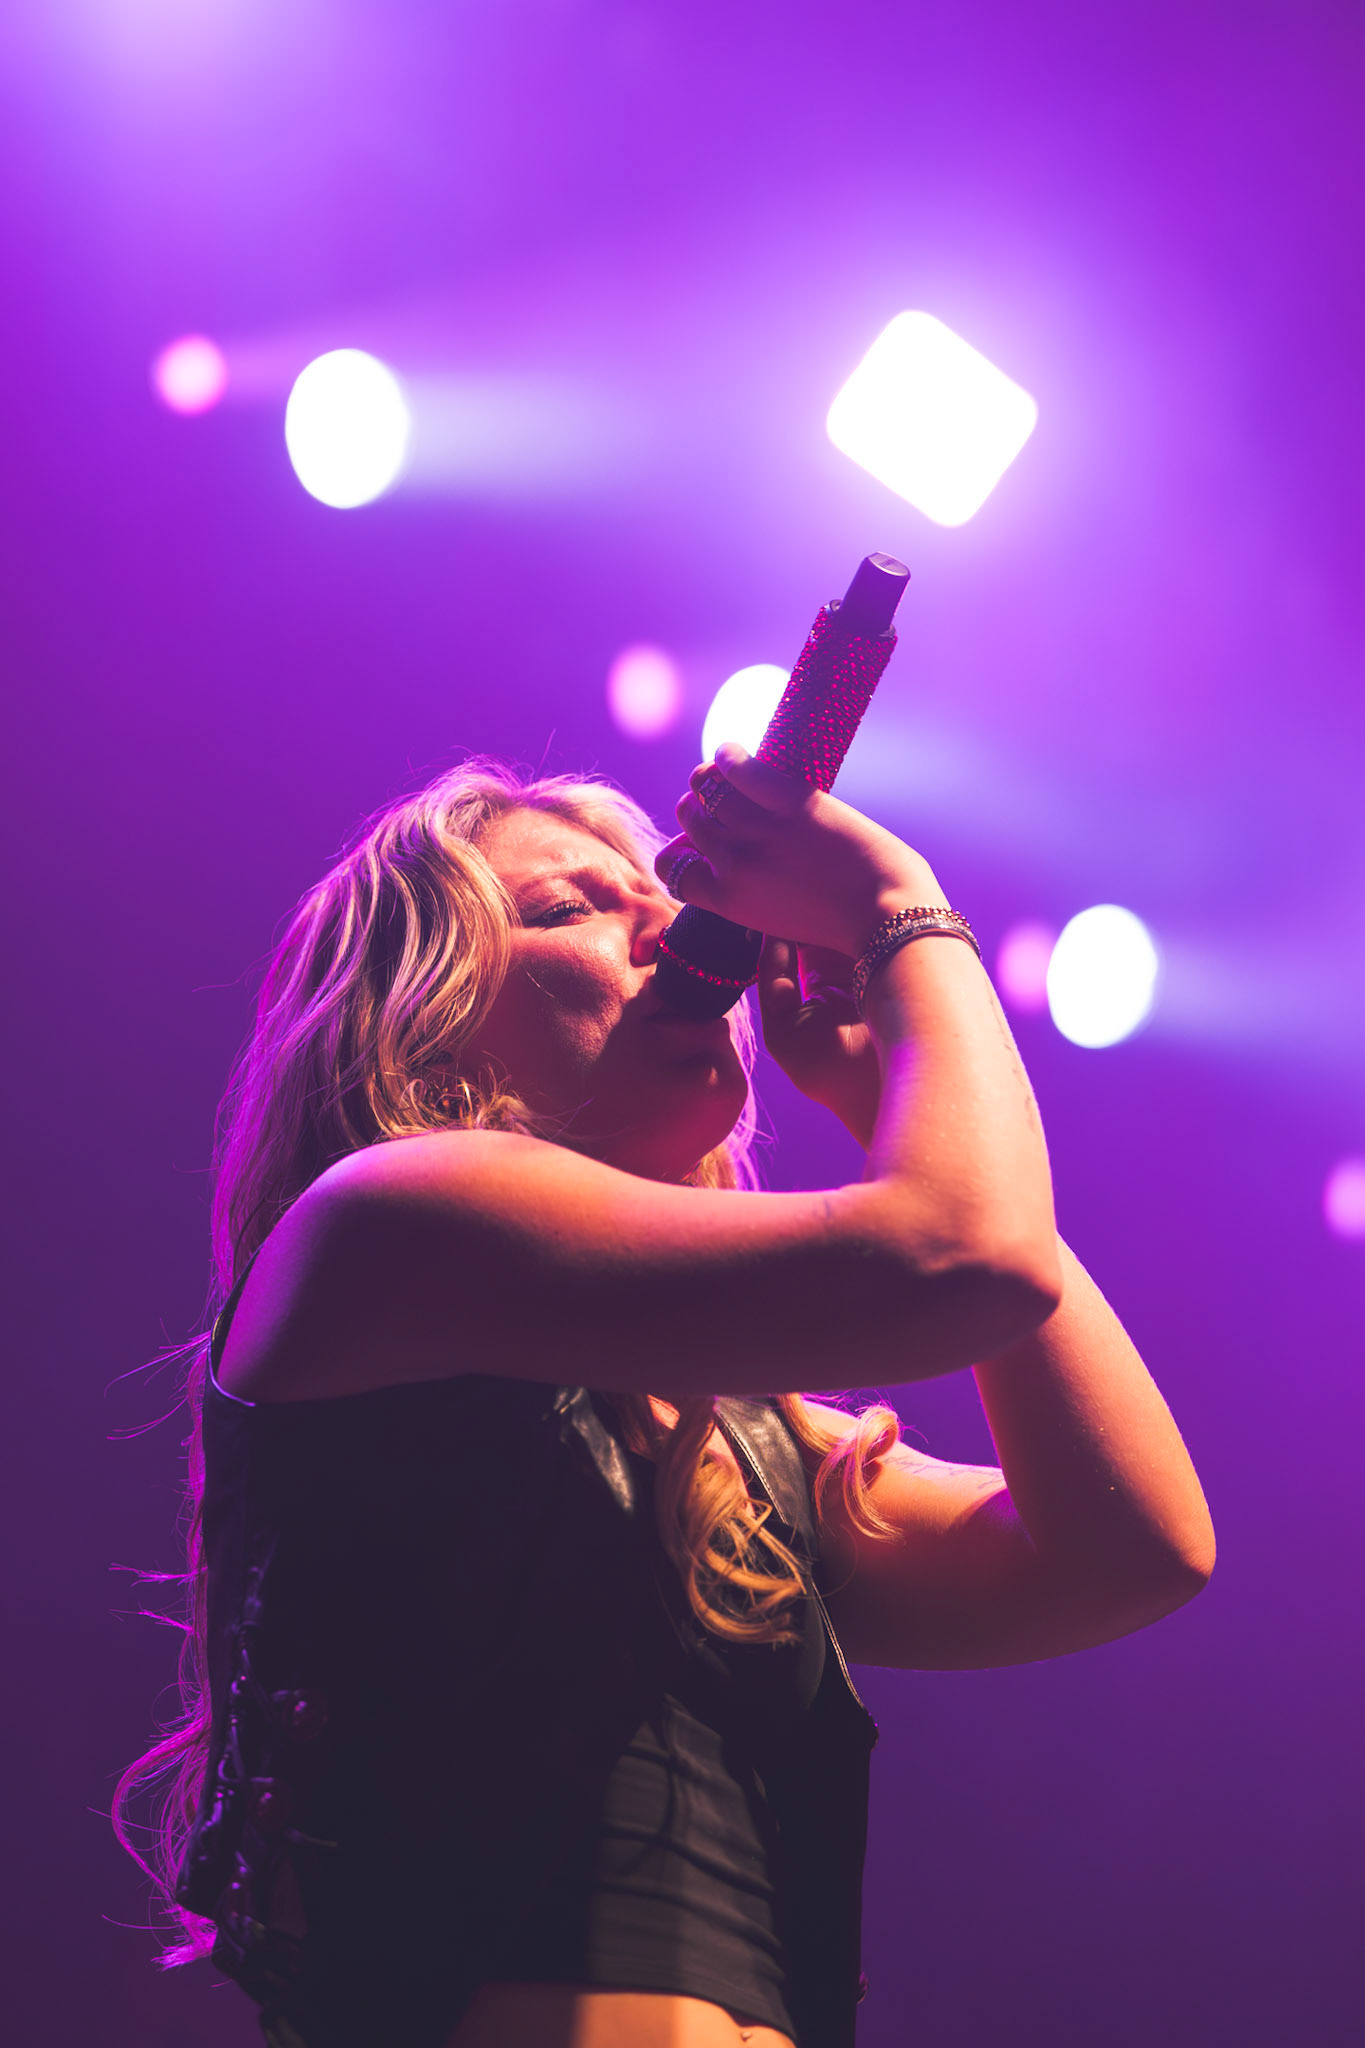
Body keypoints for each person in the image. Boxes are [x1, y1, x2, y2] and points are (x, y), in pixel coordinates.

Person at [117, 744, 1214, 2048]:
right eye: (569, 906)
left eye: (666, 894)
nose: (678, 927)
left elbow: (1127, 1547)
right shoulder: (381, 1227)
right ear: (422, 1016)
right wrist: (898, 908)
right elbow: (969, 1256)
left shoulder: (729, 1442)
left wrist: (885, 1092)